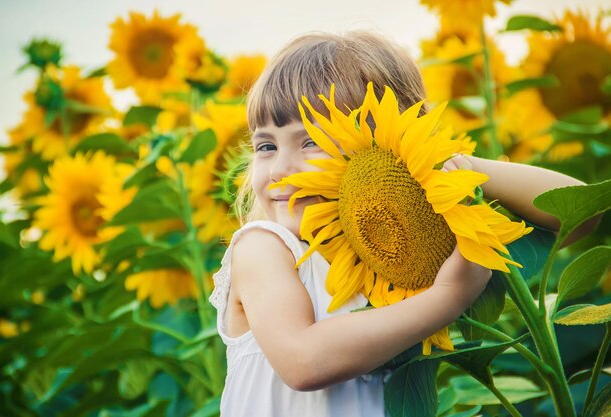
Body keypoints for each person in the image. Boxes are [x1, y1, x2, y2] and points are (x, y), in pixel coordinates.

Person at [209, 32, 596, 417]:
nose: (279, 170)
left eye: (311, 142)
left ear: (386, 144)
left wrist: (464, 170)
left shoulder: (397, 250)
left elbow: (579, 215)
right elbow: (303, 362)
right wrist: (448, 296)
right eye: (266, 147)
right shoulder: (263, 248)